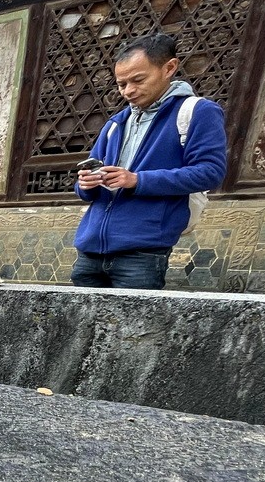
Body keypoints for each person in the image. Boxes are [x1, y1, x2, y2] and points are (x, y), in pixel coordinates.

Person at [71, 32, 227, 290]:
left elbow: (210, 172)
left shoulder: (198, 112)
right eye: (121, 84)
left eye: (138, 80)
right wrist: (85, 185)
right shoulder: (116, 123)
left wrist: (137, 180)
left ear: (169, 68)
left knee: (131, 330)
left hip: (142, 252)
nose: (128, 91)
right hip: (90, 250)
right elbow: (89, 186)